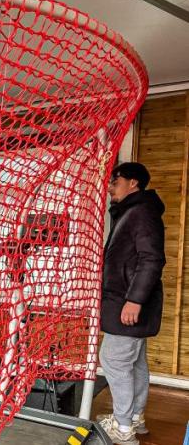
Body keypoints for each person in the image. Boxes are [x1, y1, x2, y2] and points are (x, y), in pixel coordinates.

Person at [97, 162, 165, 445]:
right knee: (134, 363)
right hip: (126, 302)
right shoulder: (132, 212)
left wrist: (134, 300)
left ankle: (123, 428)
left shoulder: (141, 213)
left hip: (127, 303)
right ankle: (134, 417)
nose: (110, 185)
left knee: (113, 360)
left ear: (133, 183)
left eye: (116, 180)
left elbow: (151, 259)